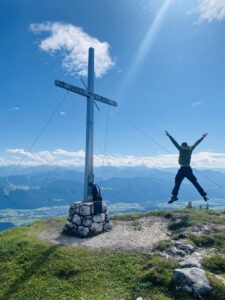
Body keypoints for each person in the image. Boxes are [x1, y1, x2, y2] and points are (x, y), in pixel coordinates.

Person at [165, 131, 209, 204]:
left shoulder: (181, 149)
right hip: (188, 169)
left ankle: (174, 196)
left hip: (182, 169)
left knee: (177, 183)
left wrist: (169, 136)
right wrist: (203, 137)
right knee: (195, 183)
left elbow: (175, 143)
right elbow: (196, 143)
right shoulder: (190, 149)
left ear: (182, 146)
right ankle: (204, 196)